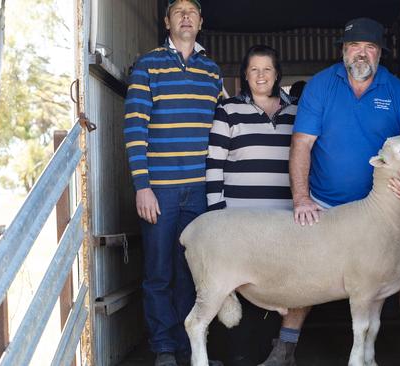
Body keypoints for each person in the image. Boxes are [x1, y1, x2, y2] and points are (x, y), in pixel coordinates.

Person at [260, 18, 400, 366]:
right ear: (343, 51)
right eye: (354, 46)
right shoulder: (322, 86)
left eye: (369, 47)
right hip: (326, 202)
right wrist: (301, 198)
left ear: (379, 53)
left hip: (382, 209)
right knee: (305, 272)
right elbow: (301, 145)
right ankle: (285, 348)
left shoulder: (395, 90)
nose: (361, 53)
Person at [123, 1, 223, 365]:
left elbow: (220, 130)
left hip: (198, 190)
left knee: (192, 274)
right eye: (178, 10)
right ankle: (164, 349)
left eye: (191, 11)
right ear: (167, 22)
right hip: (160, 190)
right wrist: (142, 186)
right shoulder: (148, 65)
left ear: (201, 22)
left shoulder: (212, 72)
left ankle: (190, 350)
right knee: (159, 273)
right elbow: (135, 127)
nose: (185, 16)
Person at [205, 44, 297, 366]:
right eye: (254, 69)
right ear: (245, 75)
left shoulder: (296, 113)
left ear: (277, 74)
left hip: (284, 222)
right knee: (239, 285)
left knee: (277, 287)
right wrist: (217, 217)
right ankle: (236, 355)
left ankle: (270, 353)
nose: (261, 76)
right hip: (238, 223)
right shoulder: (228, 110)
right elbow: (214, 165)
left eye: (267, 69)